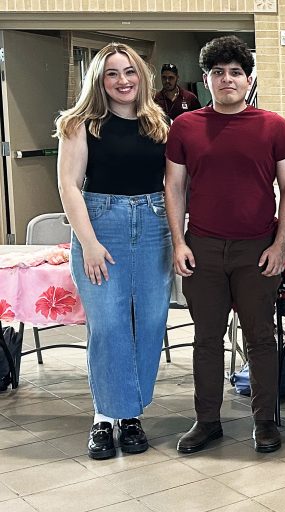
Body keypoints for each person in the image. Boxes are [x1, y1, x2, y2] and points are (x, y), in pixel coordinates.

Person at [166, 36, 285, 454]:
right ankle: (207, 421)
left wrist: (281, 245)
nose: (227, 80)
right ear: (206, 79)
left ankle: (265, 421)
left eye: (235, 72)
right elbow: (174, 187)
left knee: (260, 338)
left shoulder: (273, 126)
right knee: (206, 338)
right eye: (218, 73)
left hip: (257, 249)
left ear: (249, 78)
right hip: (202, 247)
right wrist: (178, 242)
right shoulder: (185, 127)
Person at [55, 43, 172, 461]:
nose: (123, 80)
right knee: (108, 326)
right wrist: (88, 242)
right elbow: (70, 185)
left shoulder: (158, 122)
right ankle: (105, 417)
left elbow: (175, 185)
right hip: (101, 225)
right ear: (99, 81)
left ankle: (130, 415)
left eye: (130, 72)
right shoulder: (80, 124)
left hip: (155, 224)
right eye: (112, 74)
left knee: (152, 321)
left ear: (142, 77)